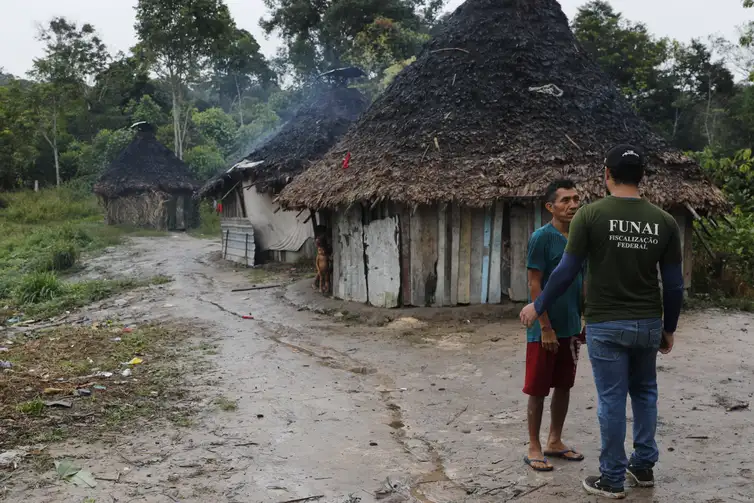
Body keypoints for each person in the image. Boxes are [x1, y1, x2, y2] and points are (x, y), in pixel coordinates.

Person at [519, 145, 684, 499]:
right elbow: (673, 283)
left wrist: (538, 306)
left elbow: (564, 272)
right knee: (645, 393)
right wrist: (669, 326)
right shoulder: (665, 221)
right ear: (642, 177)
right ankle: (643, 467)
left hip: (607, 324)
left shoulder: (590, 216)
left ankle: (611, 478)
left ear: (605, 174)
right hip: (648, 322)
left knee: (611, 399)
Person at [522, 179, 586, 473]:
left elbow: (585, 282)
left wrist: (584, 319)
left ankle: (554, 440)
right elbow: (535, 284)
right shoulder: (541, 237)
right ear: (550, 207)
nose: (573, 205)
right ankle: (534, 446)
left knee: (564, 384)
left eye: (576, 199)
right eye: (565, 200)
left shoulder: (580, 237)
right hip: (544, 329)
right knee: (538, 388)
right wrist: (545, 326)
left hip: (572, 325)